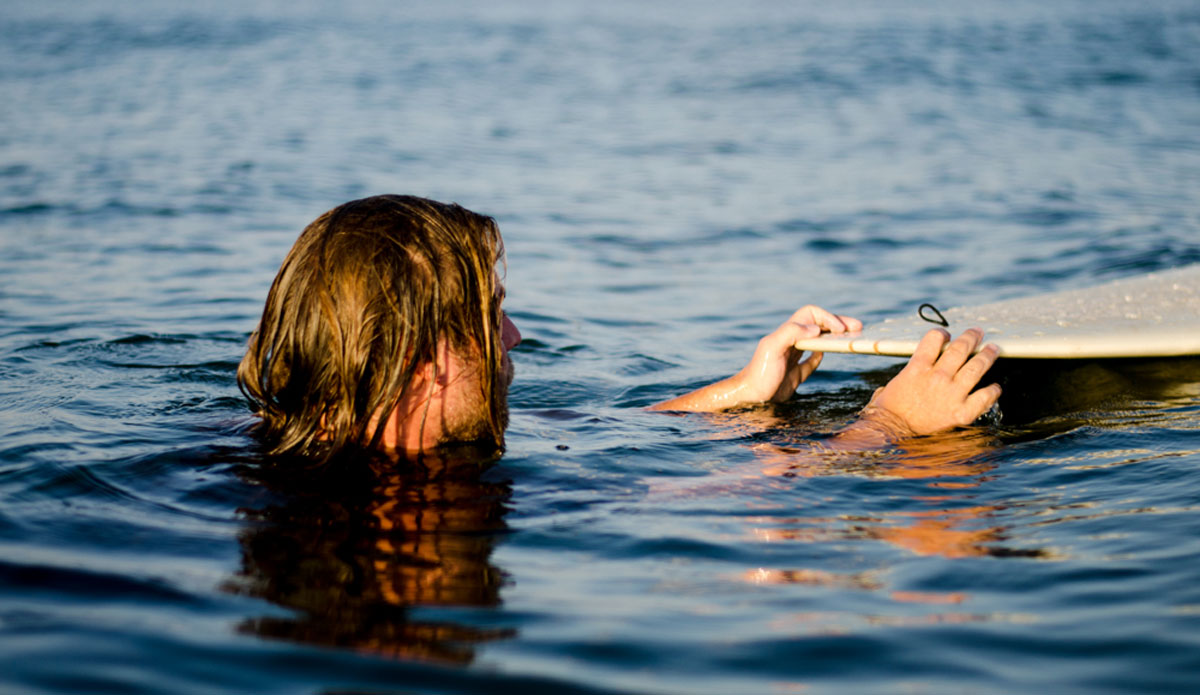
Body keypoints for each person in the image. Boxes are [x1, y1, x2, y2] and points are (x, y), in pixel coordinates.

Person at [238, 195, 1001, 460]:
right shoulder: (420, 501)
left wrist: (740, 390)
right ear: (417, 360)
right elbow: (663, 496)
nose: (513, 337)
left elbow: (599, 433)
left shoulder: (328, 440)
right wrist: (889, 421)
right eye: (486, 315)